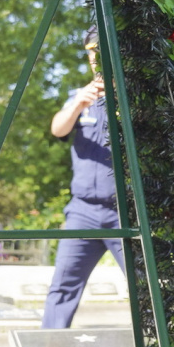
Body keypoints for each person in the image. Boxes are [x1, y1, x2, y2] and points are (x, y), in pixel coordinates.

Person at [40, 28, 125, 328]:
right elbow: (57, 129)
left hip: (123, 214)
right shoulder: (78, 97)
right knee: (62, 286)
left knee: (147, 288)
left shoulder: (130, 99)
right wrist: (77, 105)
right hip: (83, 212)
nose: (94, 59)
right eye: (91, 53)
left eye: (99, 52)